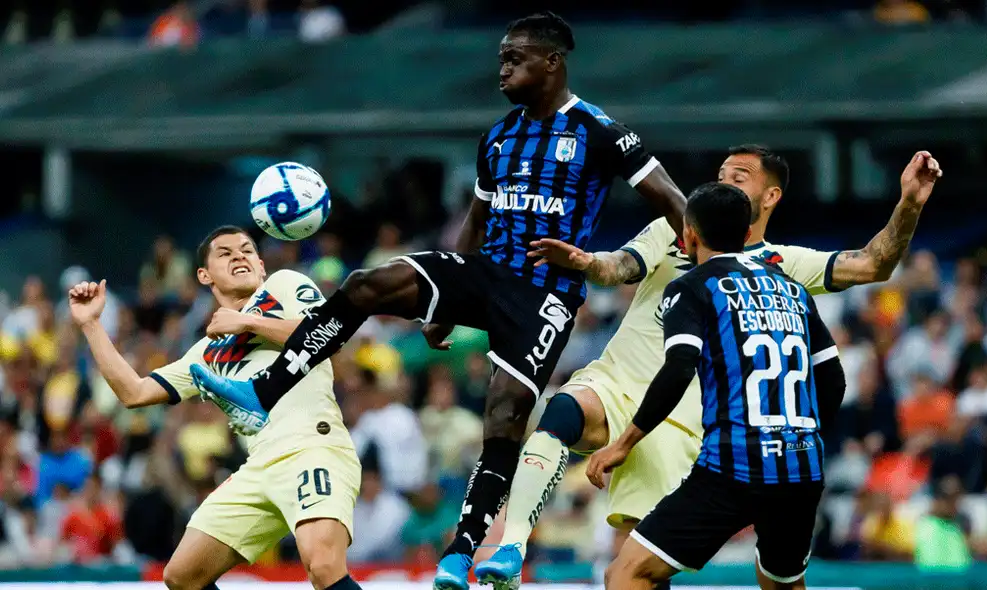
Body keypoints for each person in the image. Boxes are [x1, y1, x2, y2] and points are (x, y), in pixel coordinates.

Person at [191, 11, 686, 590]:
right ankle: (263, 390)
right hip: (484, 271)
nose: (501, 69)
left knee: (503, 420)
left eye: (514, 58)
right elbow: (476, 218)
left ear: (552, 62)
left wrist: (705, 266)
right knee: (362, 286)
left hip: (544, 295)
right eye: (500, 57)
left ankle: (461, 554)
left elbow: (675, 202)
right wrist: (442, 306)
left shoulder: (601, 132)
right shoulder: (498, 136)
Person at [476, 147, 942, 588]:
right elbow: (617, 267)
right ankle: (512, 544)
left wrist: (908, 205)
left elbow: (872, 264)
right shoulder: (692, 238)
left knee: (630, 566)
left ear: (771, 196)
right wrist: (587, 261)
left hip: (689, 429)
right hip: (641, 394)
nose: (724, 182)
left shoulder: (769, 268)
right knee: (562, 415)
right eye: (720, 176)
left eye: (738, 177)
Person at [69, 226, 362, 590]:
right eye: (225, 253)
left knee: (322, 566)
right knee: (182, 576)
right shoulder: (205, 353)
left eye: (246, 250)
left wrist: (248, 321)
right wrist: (91, 325)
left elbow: (329, 335)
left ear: (260, 264)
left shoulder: (284, 285)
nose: (239, 255)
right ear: (204, 275)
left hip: (313, 447)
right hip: (257, 465)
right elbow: (135, 392)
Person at [589, 181, 847, 589]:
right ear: (747, 235)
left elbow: (678, 368)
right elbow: (832, 377)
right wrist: (801, 439)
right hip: (801, 466)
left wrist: (623, 443)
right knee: (782, 583)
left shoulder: (692, 287)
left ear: (688, 233)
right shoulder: (792, 289)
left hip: (733, 465)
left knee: (627, 573)